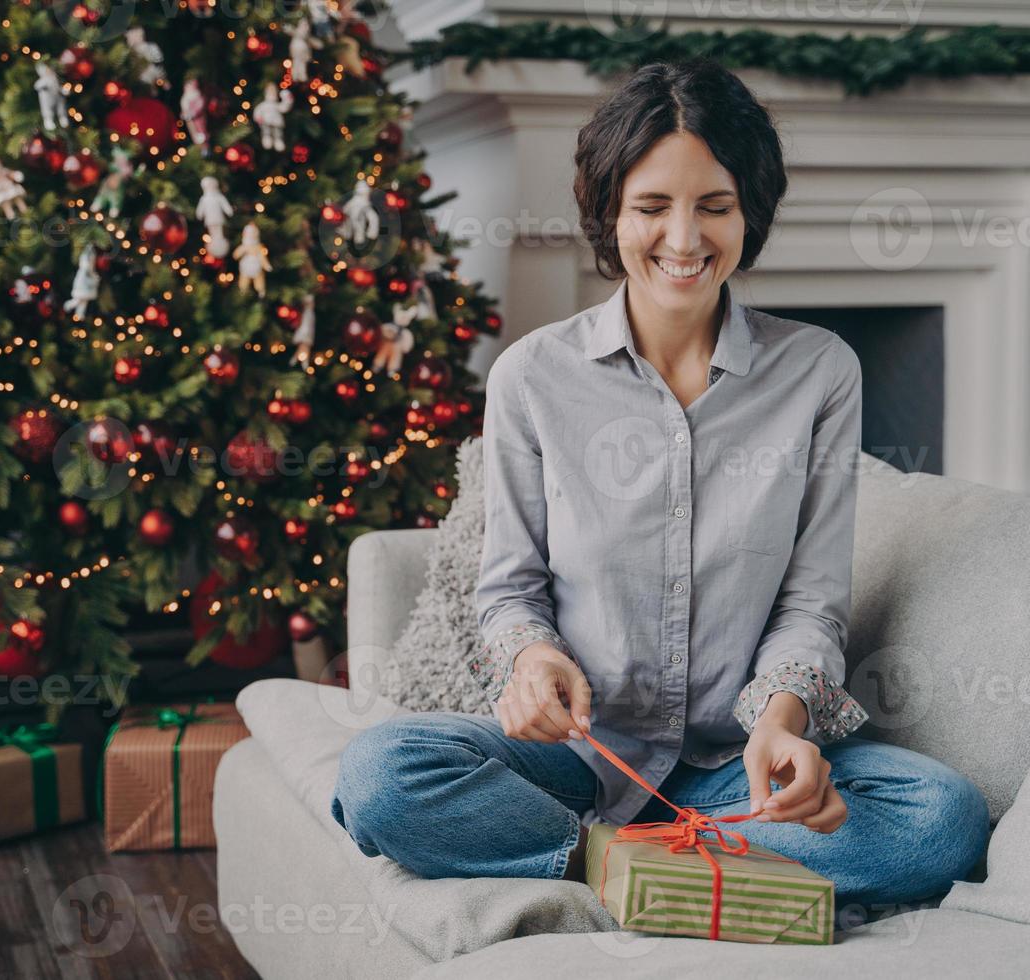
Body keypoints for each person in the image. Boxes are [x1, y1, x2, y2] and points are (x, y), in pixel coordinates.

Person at [330, 58, 989, 914]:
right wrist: (532, 662)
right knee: (381, 773)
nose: (684, 240)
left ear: (749, 211)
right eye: (651, 207)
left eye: (714, 206)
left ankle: (636, 864)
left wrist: (783, 722)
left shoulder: (820, 372)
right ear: (610, 213)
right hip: (572, 763)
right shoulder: (532, 376)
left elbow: (812, 603)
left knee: (942, 818)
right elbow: (510, 591)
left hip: (731, 766)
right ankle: (643, 866)